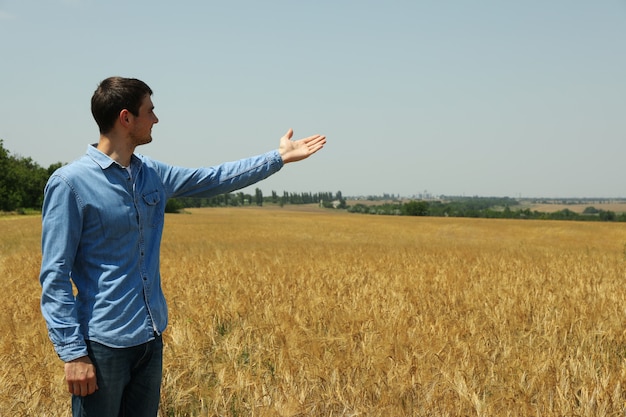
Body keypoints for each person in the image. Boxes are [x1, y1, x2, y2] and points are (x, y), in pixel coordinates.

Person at [38, 76, 326, 417]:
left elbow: (215, 177)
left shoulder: (151, 174)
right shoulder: (70, 183)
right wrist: (73, 353)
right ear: (126, 118)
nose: (156, 119)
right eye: (151, 110)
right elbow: (55, 275)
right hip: (103, 345)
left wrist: (277, 158)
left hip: (150, 337)